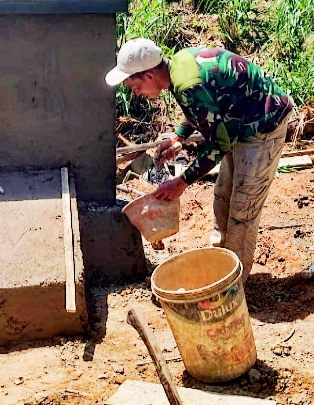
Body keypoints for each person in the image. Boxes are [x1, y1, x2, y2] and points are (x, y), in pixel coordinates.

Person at [105, 39, 293, 282]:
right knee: (223, 194)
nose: (136, 93)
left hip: (263, 123)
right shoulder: (175, 68)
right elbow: (204, 107)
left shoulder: (187, 83)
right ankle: (220, 265)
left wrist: (182, 181)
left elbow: (220, 144)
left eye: (134, 85)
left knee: (243, 207)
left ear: (150, 75)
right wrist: (178, 136)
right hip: (237, 121)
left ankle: (233, 285)